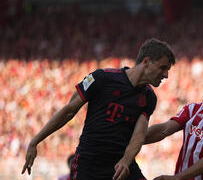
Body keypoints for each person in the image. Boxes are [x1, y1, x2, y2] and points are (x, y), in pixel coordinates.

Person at [21, 38, 176, 180]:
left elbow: (138, 137)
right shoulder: (102, 78)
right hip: (89, 165)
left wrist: (125, 161)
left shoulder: (149, 97)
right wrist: (35, 141)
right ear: (146, 61)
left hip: (119, 165)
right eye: (162, 68)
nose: (166, 75)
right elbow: (69, 110)